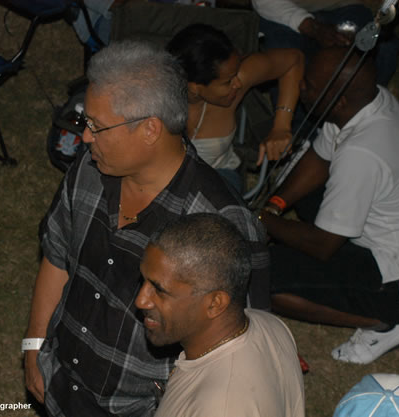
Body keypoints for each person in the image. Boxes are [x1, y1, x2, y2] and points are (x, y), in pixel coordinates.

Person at [23, 40, 269, 416]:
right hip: (61, 383)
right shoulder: (89, 169)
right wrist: (35, 347)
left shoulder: (221, 223)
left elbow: (235, 345)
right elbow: (57, 255)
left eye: (96, 126)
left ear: (150, 129)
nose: (85, 137)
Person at [259, 47, 399, 365]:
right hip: (398, 237)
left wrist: (262, 221)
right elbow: (320, 156)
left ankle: (384, 324)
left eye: (309, 85)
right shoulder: (368, 103)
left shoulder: (363, 153)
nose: (301, 86)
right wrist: (274, 204)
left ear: (338, 100)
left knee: (261, 275)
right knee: (307, 191)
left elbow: (323, 246)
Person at [136, 213, 304, 417]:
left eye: (159, 290)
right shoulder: (268, 324)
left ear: (215, 303)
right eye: (143, 280)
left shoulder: (221, 408)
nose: (141, 300)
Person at [166, 24, 304, 193]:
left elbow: (293, 60)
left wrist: (282, 126)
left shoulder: (236, 80)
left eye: (235, 75)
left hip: (219, 175)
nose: (237, 84)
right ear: (194, 87)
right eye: (227, 82)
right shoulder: (155, 103)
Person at [251, 0, 399, 87]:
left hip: (344, 9)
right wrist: (313, 27)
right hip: (281, 13)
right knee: (286, 55)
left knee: (383, 47)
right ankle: (299, 138)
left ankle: (359, 120)